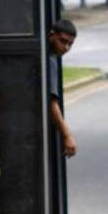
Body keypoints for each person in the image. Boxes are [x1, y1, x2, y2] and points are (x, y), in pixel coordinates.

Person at [47, 18, 78, 157]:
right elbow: (51, 103)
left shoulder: (51, 56)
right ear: (51, 35)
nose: (66, 48)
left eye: (70, 44)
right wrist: (67, 136)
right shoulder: (50, 61)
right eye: (63, 41)